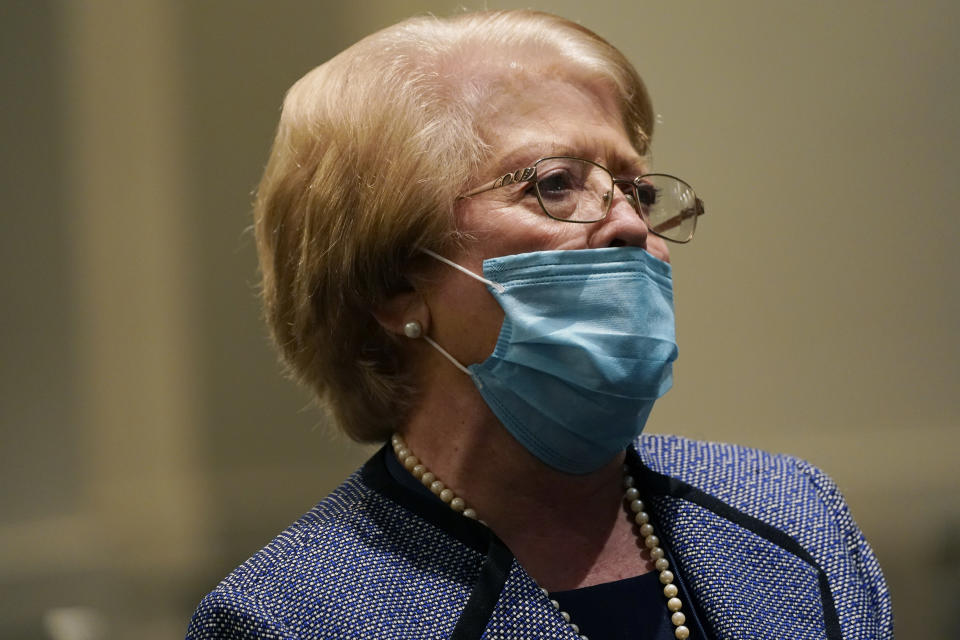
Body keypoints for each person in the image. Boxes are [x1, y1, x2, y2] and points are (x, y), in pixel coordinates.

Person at [186, 10, 892, 640]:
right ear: (394, 283)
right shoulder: (289, 620)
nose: (629, 225)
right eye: (554, 183)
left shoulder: (795, 522)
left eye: (638, 191)